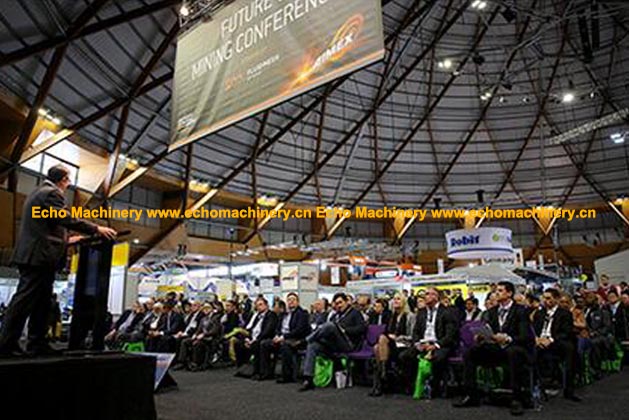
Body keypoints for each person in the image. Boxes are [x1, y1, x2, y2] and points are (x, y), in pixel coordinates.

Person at [0, 165, 117, 357]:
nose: (68, 184)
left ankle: (37, 344)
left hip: (37, 255)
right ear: (63, 180)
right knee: (24, 301)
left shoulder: (38, 192)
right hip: (39, 257)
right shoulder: (51, 193)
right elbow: (65, 218)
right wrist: (96, 229)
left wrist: (68, 240)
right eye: (68, 180)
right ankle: (6, 345)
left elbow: (44, 227)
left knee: (41, 303)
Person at [454, 281, 533, 416]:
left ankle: (516, 398)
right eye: (496, 291)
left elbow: (525, 336)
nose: (496, 293)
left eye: (500, 291)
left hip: (515, 347)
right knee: (470, 353)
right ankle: (471, 395)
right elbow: (490, 330)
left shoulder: (521, 311)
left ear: (509, 293)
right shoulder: (492, 311)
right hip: (496, 347)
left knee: (513, 353)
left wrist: (508, 338)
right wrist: (482, 336)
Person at [299, 292, 366, 391]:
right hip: (333, 344)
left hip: (348, 343)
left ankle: (305, 340)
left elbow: (362, 328)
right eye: (337, 303)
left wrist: (345, 330)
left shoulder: (355, 313)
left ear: (347, 302)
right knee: (312, 345)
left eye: (340, 302)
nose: (339, 305)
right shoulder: (336, 315)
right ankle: (308, 379)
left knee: (330, 325)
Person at [399, 287, 459, 397]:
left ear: (435, 297)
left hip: (440, 344)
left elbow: (450, 335)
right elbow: (416, 332)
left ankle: (435, 387)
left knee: (438, 358)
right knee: (404, 356)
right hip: (423, 343)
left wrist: (436, 345)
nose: (425, 296)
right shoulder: (421, 312)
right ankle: (413, 386)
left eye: (428, 294)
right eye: (425, 294)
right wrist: (417, 344)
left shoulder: (447, 312)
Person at [532, 288, 581, 402]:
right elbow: (534, 330)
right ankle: (535, 386)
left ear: (556, 299)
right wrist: (537, 339)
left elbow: (566, 332)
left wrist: (550, 340)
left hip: (557, 341)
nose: (546, 301)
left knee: (569, 348)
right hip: (541, 340)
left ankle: (569, 389)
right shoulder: (539, 313)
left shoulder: (565, 313)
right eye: (544, 298)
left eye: (548, 298)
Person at [369, 292, 414, 397]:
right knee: (376, 347)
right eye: (394, 299)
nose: (395, 301)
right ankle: (382, 374)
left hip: (404, 344)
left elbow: (412, 336)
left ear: (404, 302)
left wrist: (397, 338)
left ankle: (381, 379)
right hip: (391, 345)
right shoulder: (392, 316)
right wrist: (391, 337)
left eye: (398, 299)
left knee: (380, 342)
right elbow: (387, 332)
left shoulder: (410, 316)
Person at [259, 292, 311, 382]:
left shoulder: (302, 313)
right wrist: (277, 335)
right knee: (264, 344)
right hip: (282, 338)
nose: (291, 301)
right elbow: (278, 328)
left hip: (296, 339)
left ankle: (287, 376)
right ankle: (266, 373)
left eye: (293, 300)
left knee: (285, 345)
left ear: (298, 302)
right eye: (289, 300)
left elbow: (299, 330)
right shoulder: (284, 314)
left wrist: (283, 337)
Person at [233, 297, 278, 377]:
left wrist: (255, 340)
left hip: (264, 338)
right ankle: (242, 368)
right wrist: (248, 339)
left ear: (266, 305)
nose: (259, 307)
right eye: (257, 305)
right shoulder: (257, 316)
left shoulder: (271, 315)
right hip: (254, 338)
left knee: (257, 344)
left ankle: (259, 371)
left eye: (261, 304)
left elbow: (267, 331)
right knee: (239, 343)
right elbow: (252, 329)